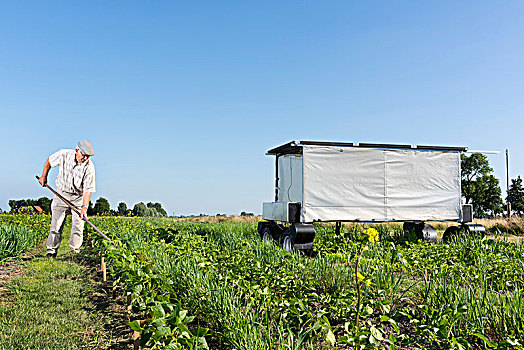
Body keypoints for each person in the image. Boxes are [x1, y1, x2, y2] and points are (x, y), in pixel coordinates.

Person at [38, 140, 96, 257]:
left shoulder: (89, 167)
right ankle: (51, 251)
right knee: (56, 225)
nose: (85, 159)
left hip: (78, 198)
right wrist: (44, 176)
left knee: (78, 226)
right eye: (84, 155)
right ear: (76, 151)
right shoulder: (64, 154)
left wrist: (84, 207)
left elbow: (87, 189)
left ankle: (74, 253)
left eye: (88, 156)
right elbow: (49, 161)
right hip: (61, 194)